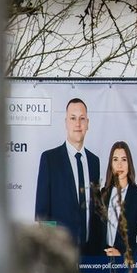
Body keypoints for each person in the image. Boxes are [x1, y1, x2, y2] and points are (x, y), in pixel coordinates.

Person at [34, 99, 101, 255]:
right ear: (66, 123)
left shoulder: (94, 161)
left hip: (90, 254)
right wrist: (50, 250)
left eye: (81, 118)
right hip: (60, 253)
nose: (77, 124)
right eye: (73, 118)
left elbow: (95, 210)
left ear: (87, 123)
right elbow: (42, 213)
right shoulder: (50, 159)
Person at [97, 141, 137, 267]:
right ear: (111, 164)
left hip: (126, 268)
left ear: (129, 164)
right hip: (100, 264)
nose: (119, 164)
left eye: (124, 159)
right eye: (115, 159)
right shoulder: (102, 194)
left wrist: (125, 258)